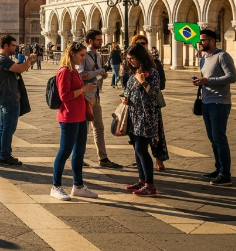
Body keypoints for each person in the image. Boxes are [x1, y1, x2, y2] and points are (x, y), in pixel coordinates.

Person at [51, 42, 98, 201]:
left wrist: (85, 92)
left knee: (79, 152)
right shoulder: (64, 71)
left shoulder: (74, 71)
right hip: (69, 116)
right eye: (81, 55)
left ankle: (78, 186)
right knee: (64, 151)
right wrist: (84, 90)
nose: (83, 58)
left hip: (80, 116)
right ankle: (55, 186)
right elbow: (64, 96)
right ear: (72, 53)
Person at [194, 29, 236, 186]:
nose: (200, 43)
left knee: (219, 138)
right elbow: (207, 78)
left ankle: (225, 174)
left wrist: (208, 81)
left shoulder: (222, 56)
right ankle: (218, 168)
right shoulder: (204, 58)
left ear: (212, 41)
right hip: (206, 102)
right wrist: (200, 81)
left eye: (203, 40)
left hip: (219, 102)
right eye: (200, 40)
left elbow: (232, 77)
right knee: (213, 138)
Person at [121, 43, 162, 196]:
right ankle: (141, 180)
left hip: (146, 116)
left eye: (132, 58)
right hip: (133, 115)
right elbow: (127, 91)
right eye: (128, 59)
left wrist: (143, 81)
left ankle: (150, 185)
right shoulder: (133, 73)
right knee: (137, 150)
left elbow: (154, 94)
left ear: (140, 57)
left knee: (142, 150)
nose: (130, 61)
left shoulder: (152, 73)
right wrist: (124, 98)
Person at [77, 30, 122, 169]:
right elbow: (81, 74)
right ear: (90, 41)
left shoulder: (97, 55)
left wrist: (101, 76)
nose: (101, 42)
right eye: (98, 40)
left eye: (101, 40)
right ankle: (78, 158)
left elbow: (93, 75)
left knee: (99, 128)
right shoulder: (83, 55)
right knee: (83, 129)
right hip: (85, 97)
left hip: (96, 95)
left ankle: (103, 158)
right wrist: (99, 72)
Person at [0, 35, 36, 166]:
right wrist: (29, 61)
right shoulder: (3, 60)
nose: (15, 47)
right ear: (5, 46)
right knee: (8, 128)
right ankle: (5, 156)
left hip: (6, 97)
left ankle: (0, 153)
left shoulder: (2, 59)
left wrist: (27, 63)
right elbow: (20, 69)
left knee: (3, 127)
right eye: (13, 45)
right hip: (9, 98)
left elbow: (18, 68)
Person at [128, 34, 168, 171]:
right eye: (138, 44)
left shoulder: (154, 65)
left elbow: (159, 86)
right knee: (139, 146)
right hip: (134, 111)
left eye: (143, 43)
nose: (142, 46)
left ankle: (158, 159)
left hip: (151, 108)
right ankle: (142, 176)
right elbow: (127, 85)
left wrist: (144, 83)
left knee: (156, 136)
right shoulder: (131, 67)